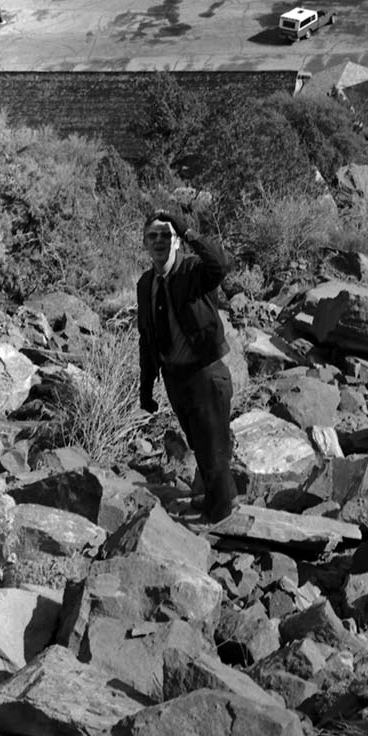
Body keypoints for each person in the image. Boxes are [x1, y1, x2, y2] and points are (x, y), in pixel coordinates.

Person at [137, 209, 237, 522]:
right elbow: (147, 337)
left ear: (177, 242)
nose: (159, 241)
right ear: (144, 243)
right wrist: (146, 385)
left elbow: (221, 264)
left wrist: (191, 232)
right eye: (152, 236)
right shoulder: (145, 284)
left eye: (166, 235)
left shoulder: (194, 271)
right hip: (175, 380)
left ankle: (222, 513)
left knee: (214, 445)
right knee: (198, 443)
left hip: (205, 374)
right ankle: (213, 500)